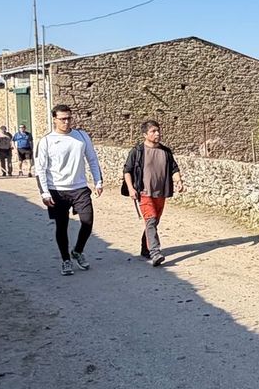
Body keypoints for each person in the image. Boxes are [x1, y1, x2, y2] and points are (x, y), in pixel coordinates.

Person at [35, 104, 104, 276]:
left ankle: (78, 251)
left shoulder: (81, 136)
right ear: (54, 120)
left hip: (79, 187)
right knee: (62, 226)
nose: (66, 122)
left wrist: (98, 181)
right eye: (62, 119)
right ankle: (66, 259)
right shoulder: (46, 141)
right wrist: (44, 193)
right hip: (57, 189)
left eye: (69, 118)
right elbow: (40, 169)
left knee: (87, 222)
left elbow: (92, 159)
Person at [121, 120, 185, 265]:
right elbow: (127, 171)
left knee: (153, 222)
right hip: (144, 192)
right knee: (150, 219)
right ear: (145, 134)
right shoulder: (137, 151)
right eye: (153, 131)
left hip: (161, 192)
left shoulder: (166, 151)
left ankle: (145, 248)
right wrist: (131, 189)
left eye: (158, 130)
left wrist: (179, 181)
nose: (157, 133)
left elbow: (174, 169)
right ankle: (155, 252)